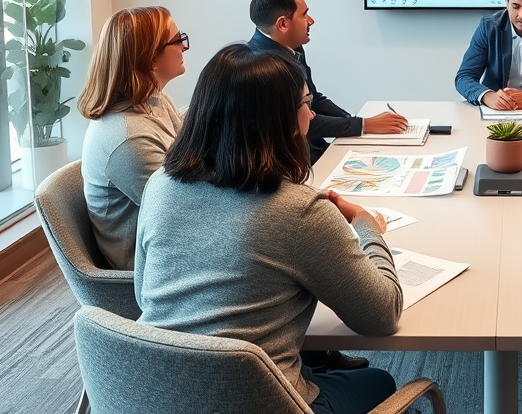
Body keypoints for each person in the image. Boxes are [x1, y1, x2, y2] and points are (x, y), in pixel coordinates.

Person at [135, 45, 403, 414]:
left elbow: (144, 293)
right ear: (278, 121)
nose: (311, 114)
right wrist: (367, 226)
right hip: (256, 401)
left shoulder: (160, 185)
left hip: (153, 393)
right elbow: (382, 315)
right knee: (380, 381)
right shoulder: (300, 210)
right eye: (305, 104)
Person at [79, 6, 187, 270]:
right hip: (148, 270)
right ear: (151, 58)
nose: (184, 47)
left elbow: (190, 160)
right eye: (178, 40)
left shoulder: (157, 101)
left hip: (170, 241)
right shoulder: (128, 139)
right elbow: (182, 213)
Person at [248, 0, 407, 162]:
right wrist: (364, 125)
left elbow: (314, 100)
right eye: (304, 14)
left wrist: (355, 120)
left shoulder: (293, 48)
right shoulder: (262, 67)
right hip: (291, 163)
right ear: (283, 24)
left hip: (313, 149)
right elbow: (299, 122)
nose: (311, 20)